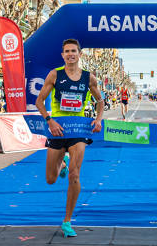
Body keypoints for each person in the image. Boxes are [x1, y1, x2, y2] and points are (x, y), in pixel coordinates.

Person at [35, 39, 103, 238]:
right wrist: (50, 121)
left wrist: (98, 120)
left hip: (79, 130)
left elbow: (100, 101)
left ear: (80, 54)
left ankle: (67, 221)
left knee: (75, 175)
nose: (70, 54)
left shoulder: (89, 78)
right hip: (58, 129)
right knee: (50, 179)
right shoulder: (55, 74)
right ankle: (62, 163)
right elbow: (39, 101)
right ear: (62, 55)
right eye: (67, 51)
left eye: (74, 51)